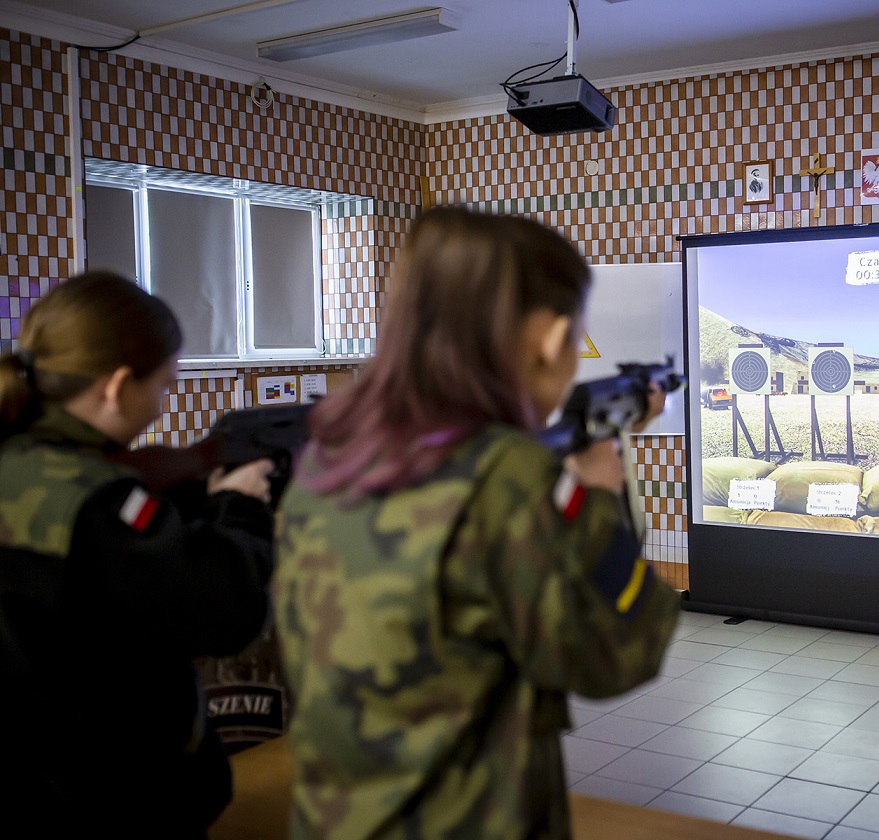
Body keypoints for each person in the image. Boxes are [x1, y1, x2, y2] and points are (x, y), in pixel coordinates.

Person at [272, 207, 680, 840]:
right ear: (551, 338)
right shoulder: (505, 476)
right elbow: (620, 653)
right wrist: (602, 492)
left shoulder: (329, 459)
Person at [0, 271, 276, 838]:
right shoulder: (100, 504)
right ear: (116, 386)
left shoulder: (25, 461)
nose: (161, 405)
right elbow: (227, 610)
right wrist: (241, 507)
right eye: (163, 387)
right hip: (106, 797)